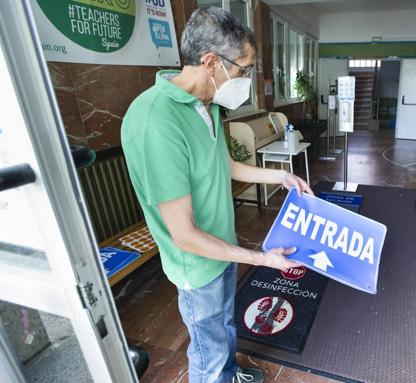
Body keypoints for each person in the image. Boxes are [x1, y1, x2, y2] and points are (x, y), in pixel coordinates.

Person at [121, 6, 313, 383]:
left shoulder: (208, 105)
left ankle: (229, 373)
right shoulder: (155, 123)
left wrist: (279, 177)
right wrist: (261, 259)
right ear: (211, 61)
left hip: (222, 247)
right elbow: (185, 235)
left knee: (224, 328)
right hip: (197, 263)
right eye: (243, 69)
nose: (245, 78)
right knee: (207, 352)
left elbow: (224, 164)